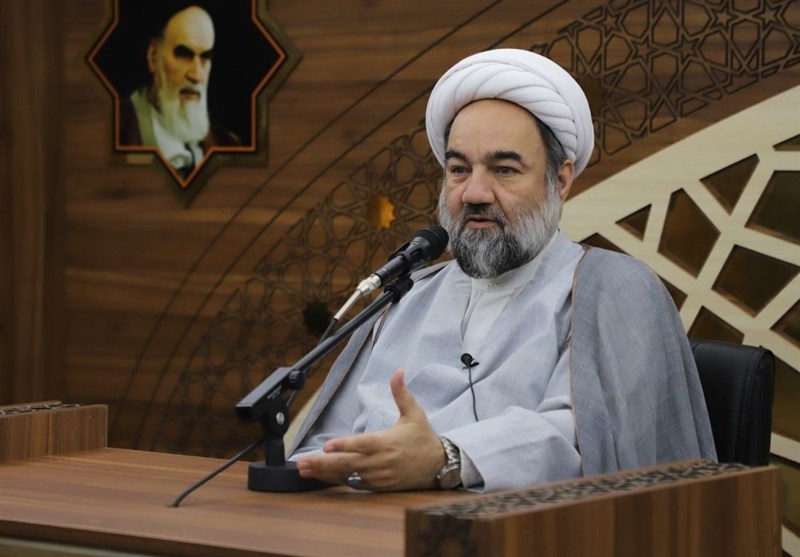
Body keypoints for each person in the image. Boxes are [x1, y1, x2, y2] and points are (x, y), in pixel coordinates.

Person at [289, 49, 716, 492]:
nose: (474, 193)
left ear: (561, 180)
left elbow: (584, 437)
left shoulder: (614, 289)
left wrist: (446, 458)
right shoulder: (407, 296)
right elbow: (326, 445)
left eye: (504, 169)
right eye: (459, 169)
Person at [119, 3, 240, 178]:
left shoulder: (228, 145)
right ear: (154, 56)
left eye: (205, 57)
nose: (196, 75)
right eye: (184, 54)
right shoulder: (115, 129)